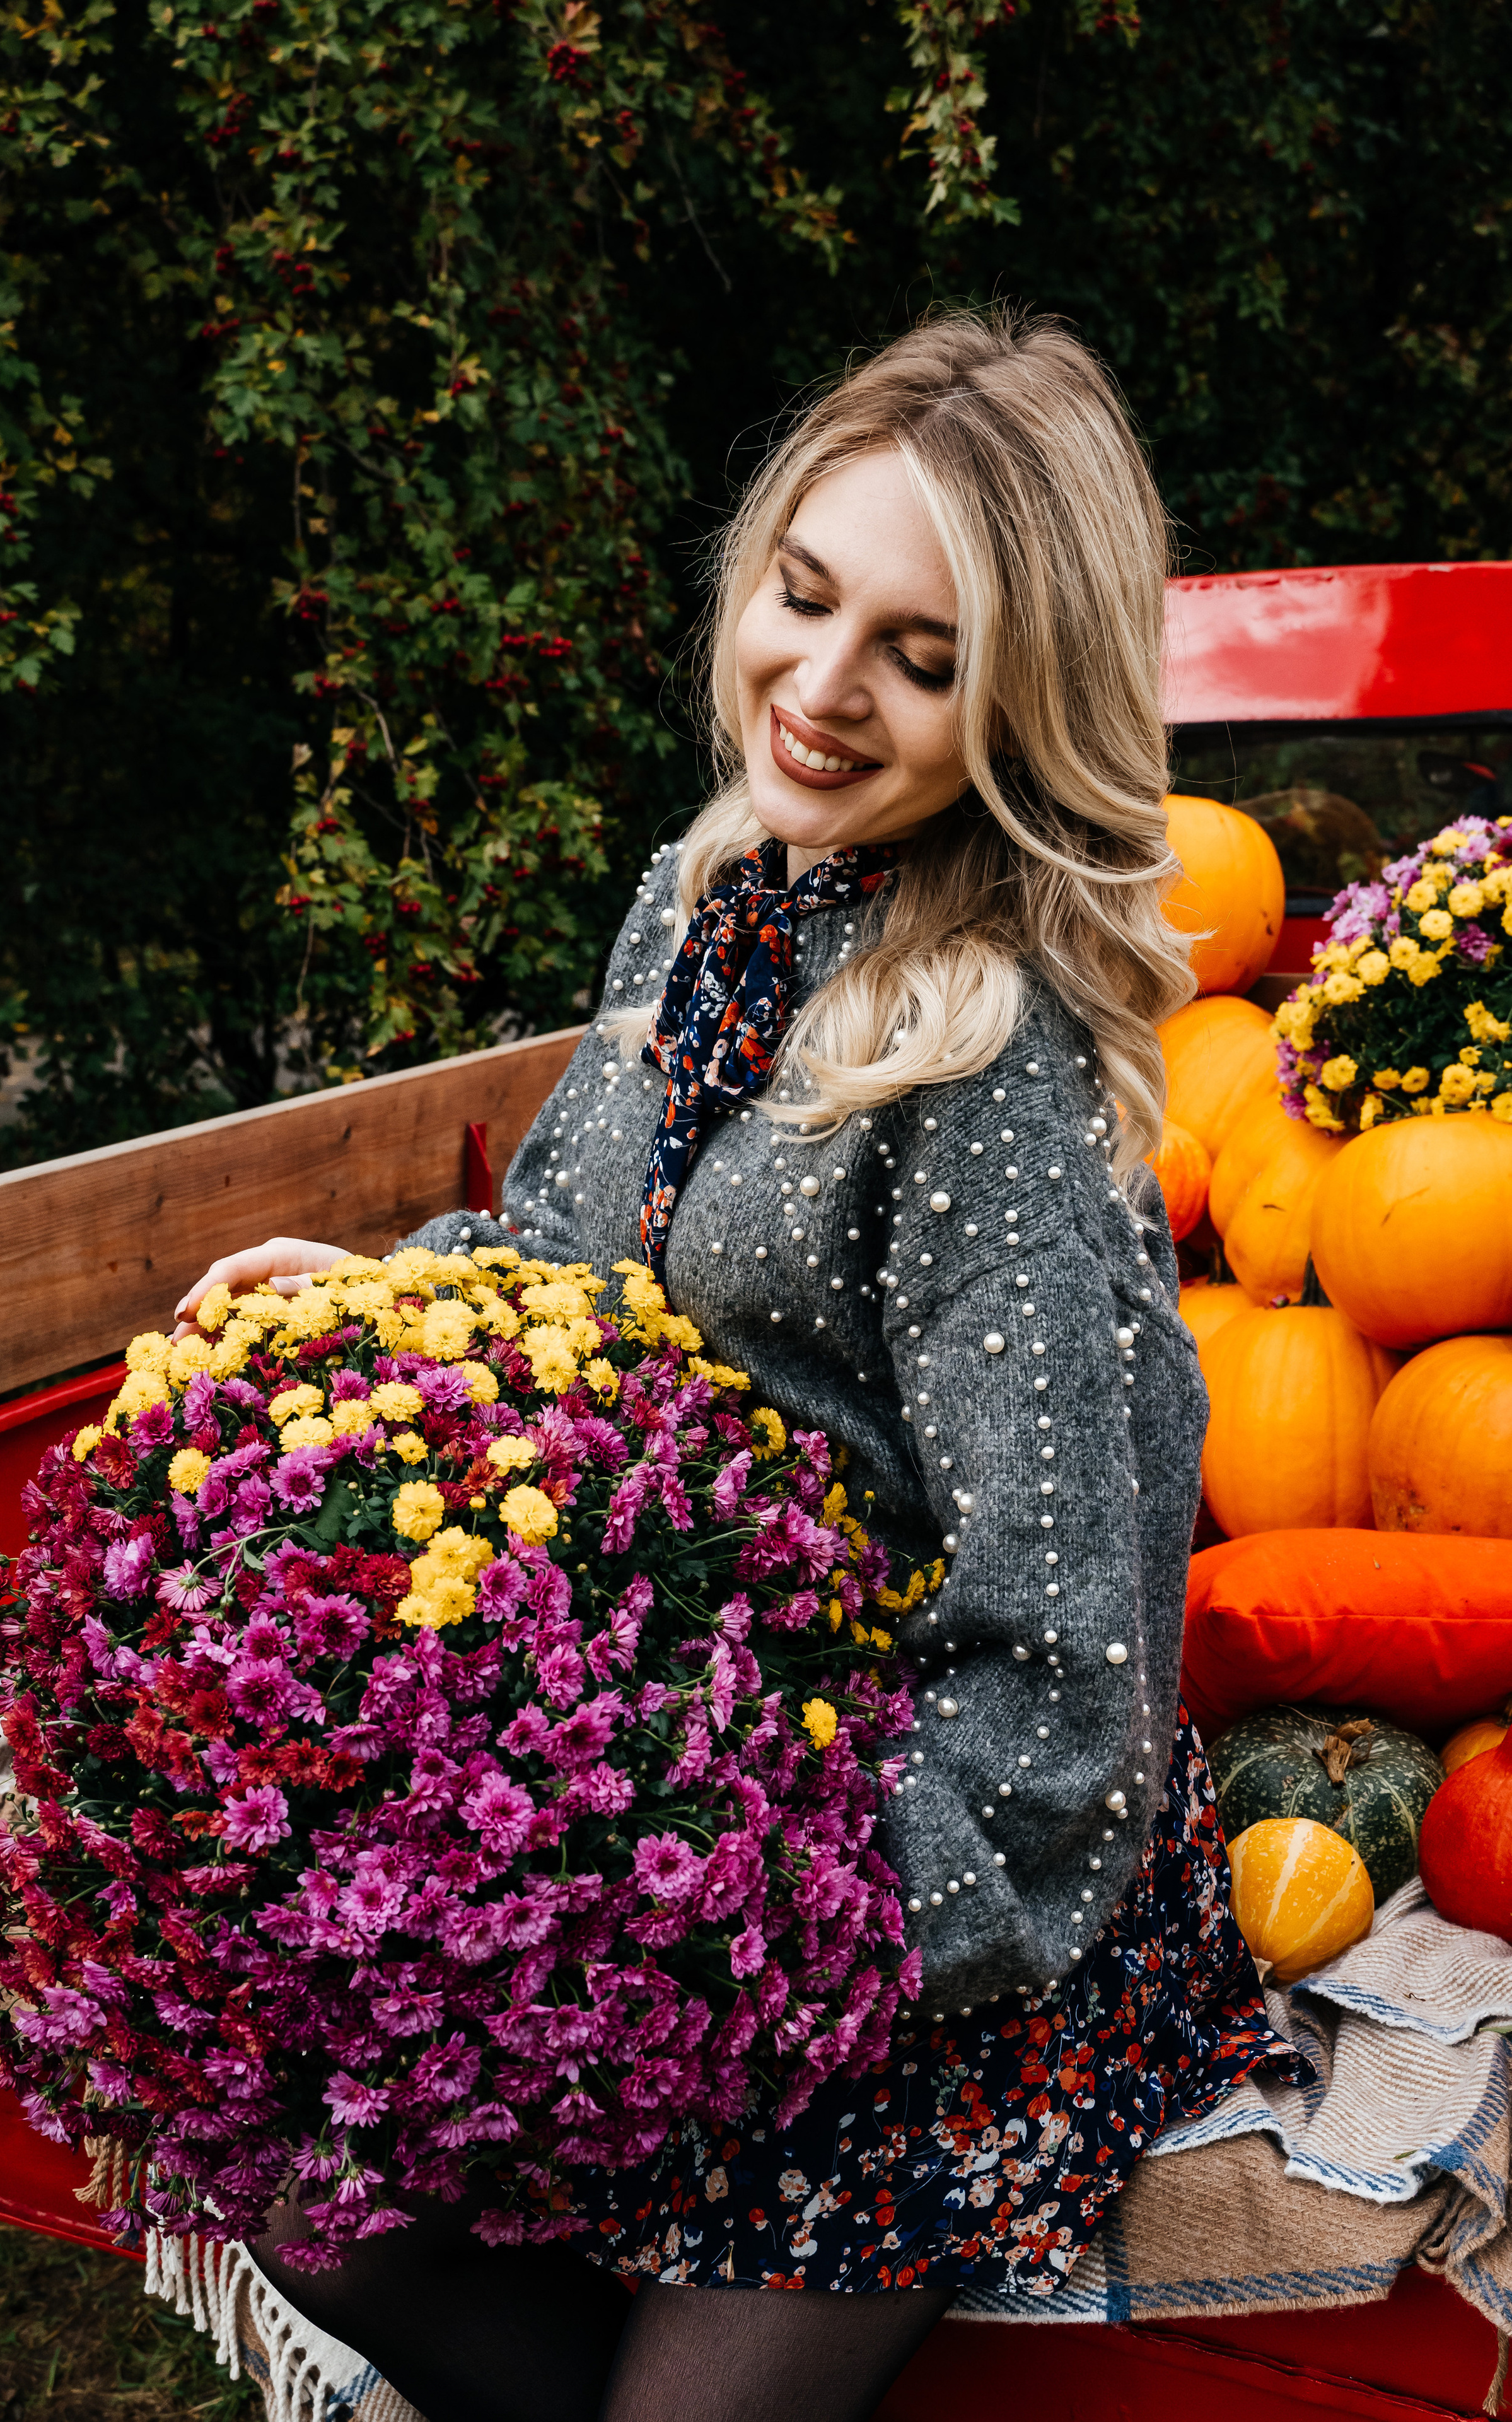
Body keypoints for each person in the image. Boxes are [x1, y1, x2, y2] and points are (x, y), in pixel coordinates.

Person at [173, 308, 1303, 2422]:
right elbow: (574, 1264)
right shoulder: (705, 902)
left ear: (1020, 703)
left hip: (924, 1897)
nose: (824, 685)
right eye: (806, 595)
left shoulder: (989, 1070)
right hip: (687, 1803)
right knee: (295, 2164)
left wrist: (737, 1947)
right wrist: (397, 1299)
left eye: (922, 658)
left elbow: (1064, 1687)